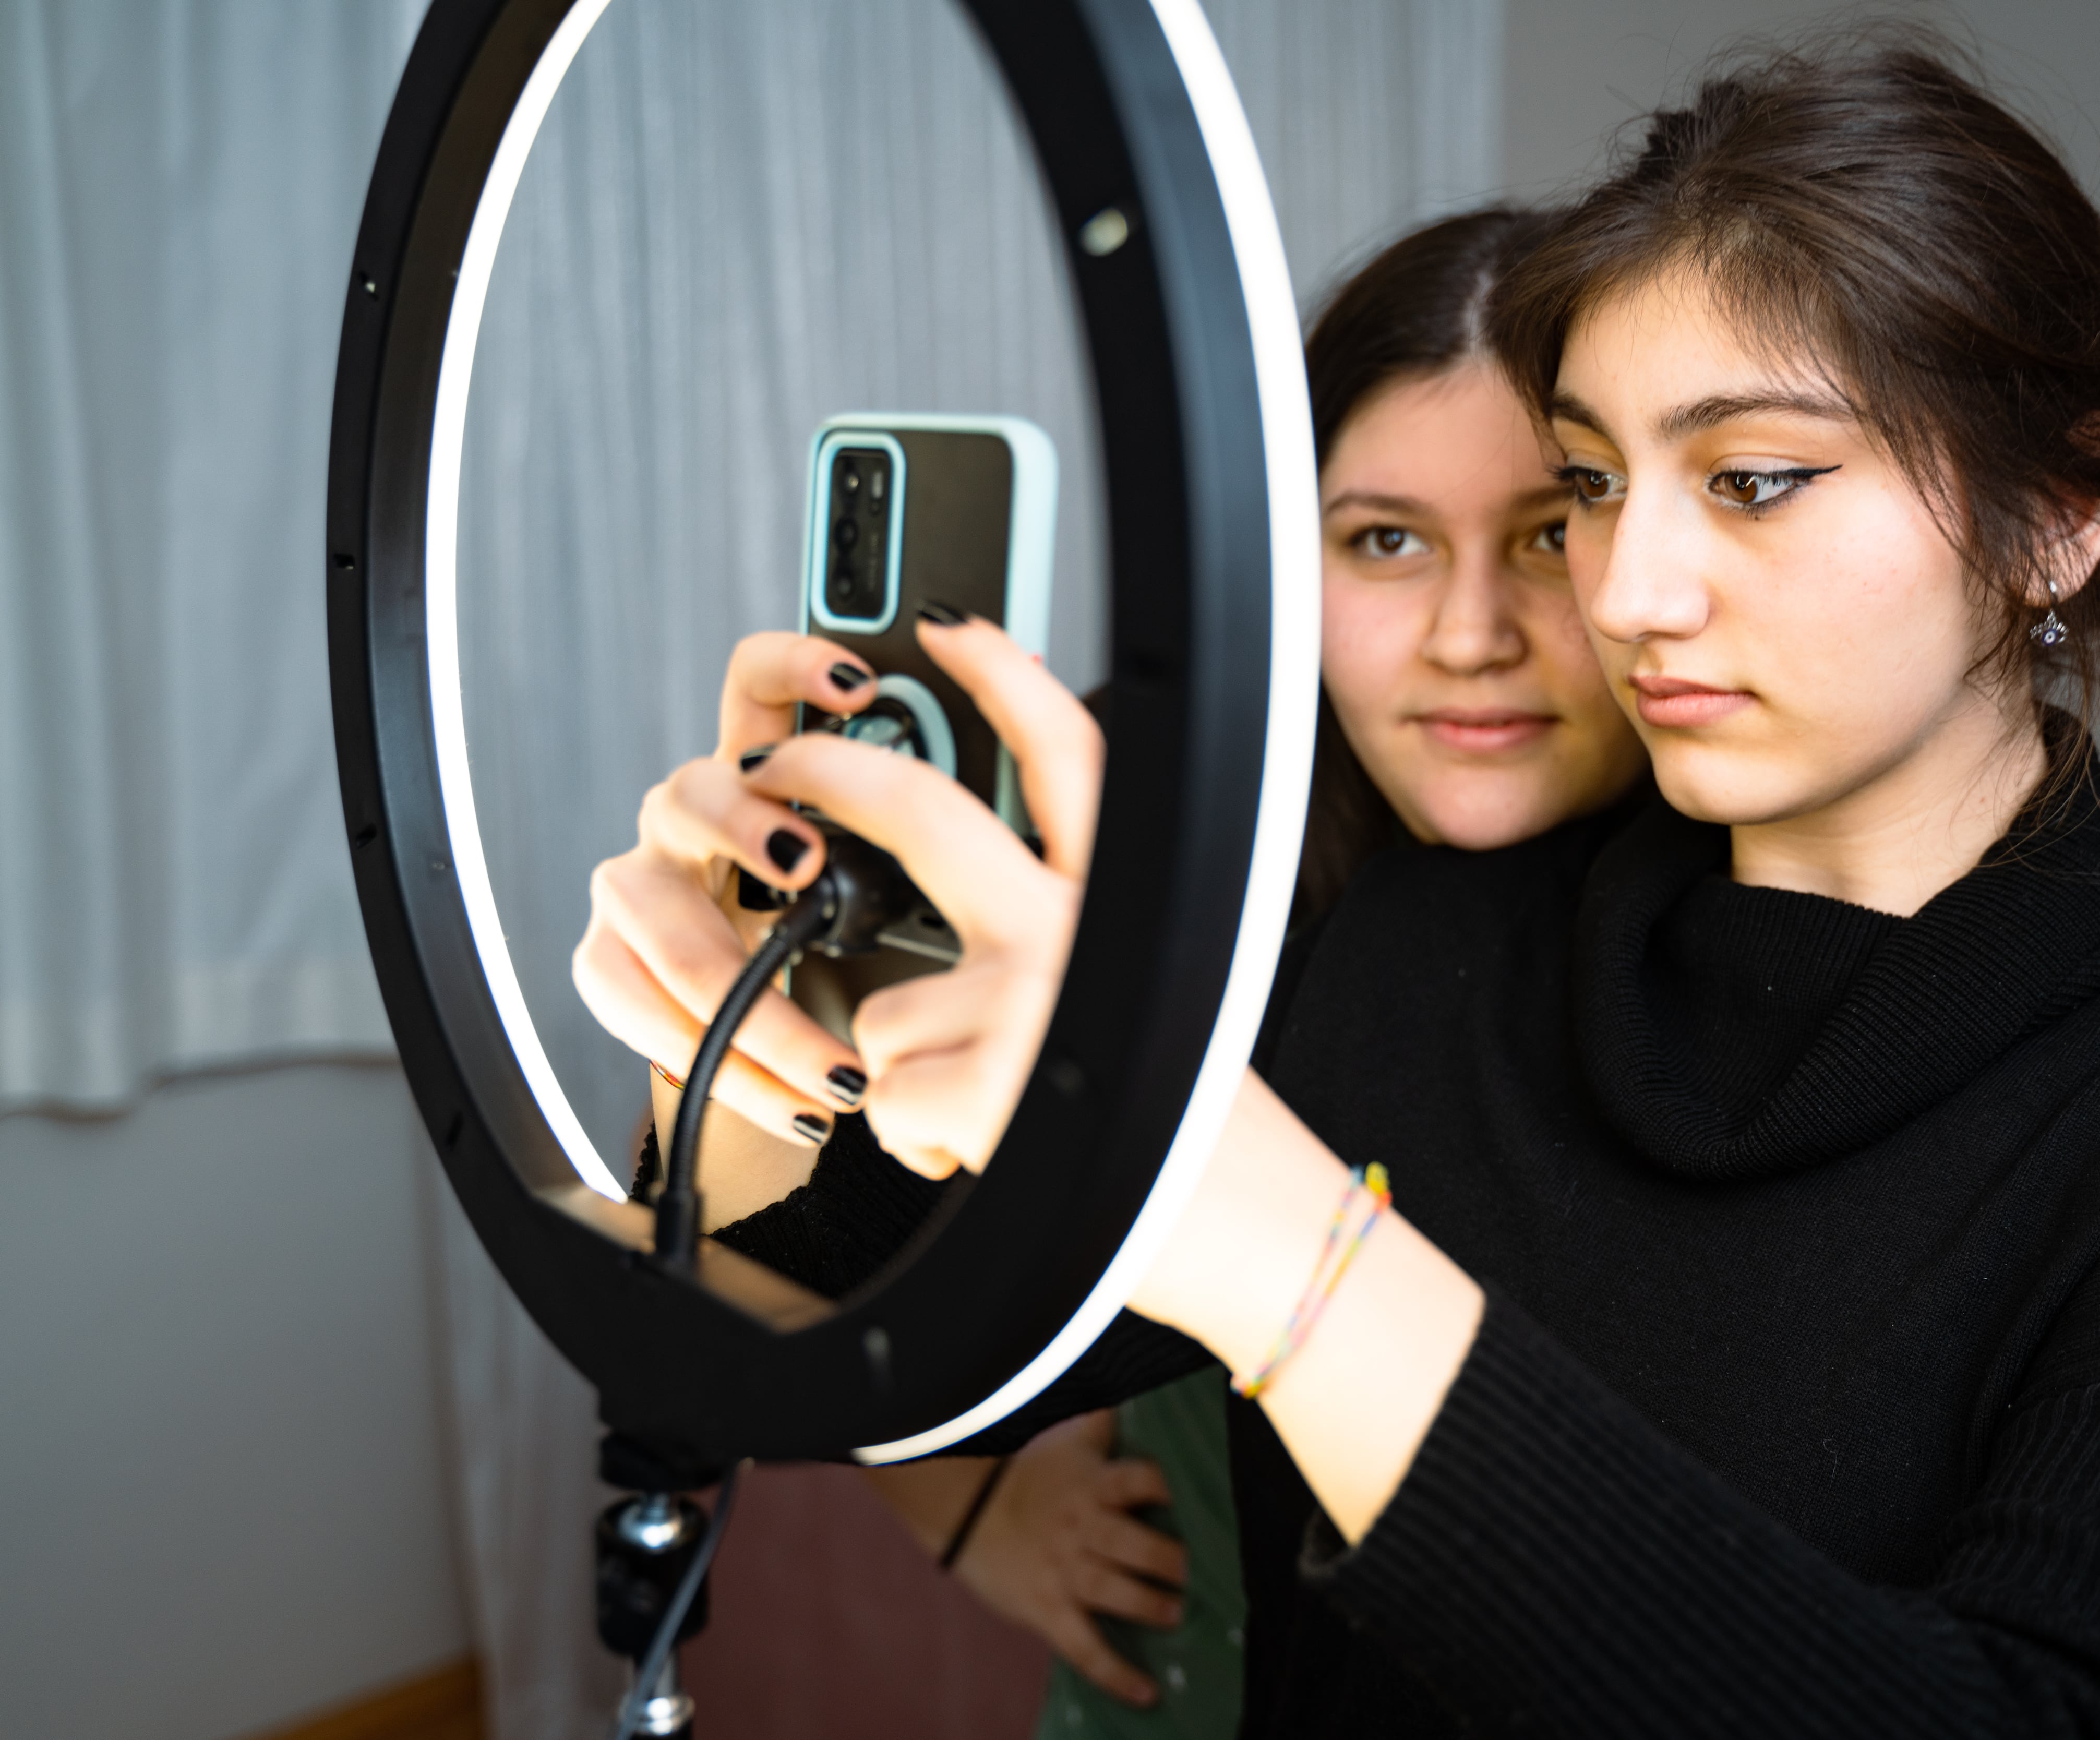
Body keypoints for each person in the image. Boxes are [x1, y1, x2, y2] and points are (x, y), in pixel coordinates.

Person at [580, 31, 2100, 1738]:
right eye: (1596, 486)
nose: (1623, 593)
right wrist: (746, 1018)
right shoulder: (1439, 938)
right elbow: (854, 1343)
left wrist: (1283, 1247)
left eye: (1754, 480)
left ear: (2059, 511)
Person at [578, 211, 1645, 1726]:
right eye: (1386, 540)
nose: (1470, 636)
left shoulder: (1733, 914)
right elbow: (809, 1277)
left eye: (1546, 534)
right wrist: (730, 1032)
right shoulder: (1141, 835)